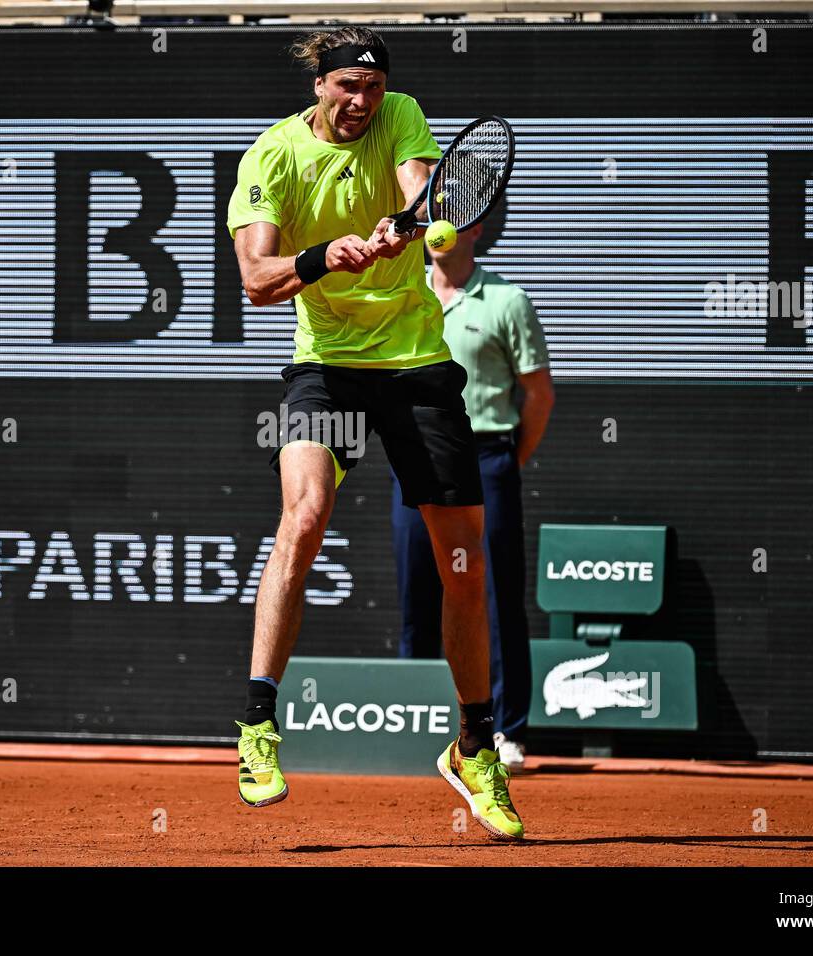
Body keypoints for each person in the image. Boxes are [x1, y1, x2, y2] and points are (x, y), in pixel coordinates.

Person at [225, 25, 524, 841]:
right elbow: (256, 281)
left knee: (463, 564)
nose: (361, 101)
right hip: (327, 367)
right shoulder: (272, 158)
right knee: (305, 515)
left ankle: (473, 747)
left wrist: (404, 221)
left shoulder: (402, 115)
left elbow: (432, 196)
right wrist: (324, 258)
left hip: (419, 366)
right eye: (345, 87)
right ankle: (257, 726)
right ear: (318, 86)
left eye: (372, 87)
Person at [390, 210, 554, 770]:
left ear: (477, 232)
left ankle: (504, 731)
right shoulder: (406, 294)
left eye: (457, 223)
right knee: (418, 594)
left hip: (487, 458)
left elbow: (538, 394)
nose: (442, 232)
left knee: (495, 597)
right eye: (435, 220)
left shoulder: (508, 302)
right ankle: (412, 723)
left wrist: (508, 459)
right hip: (417, 458)